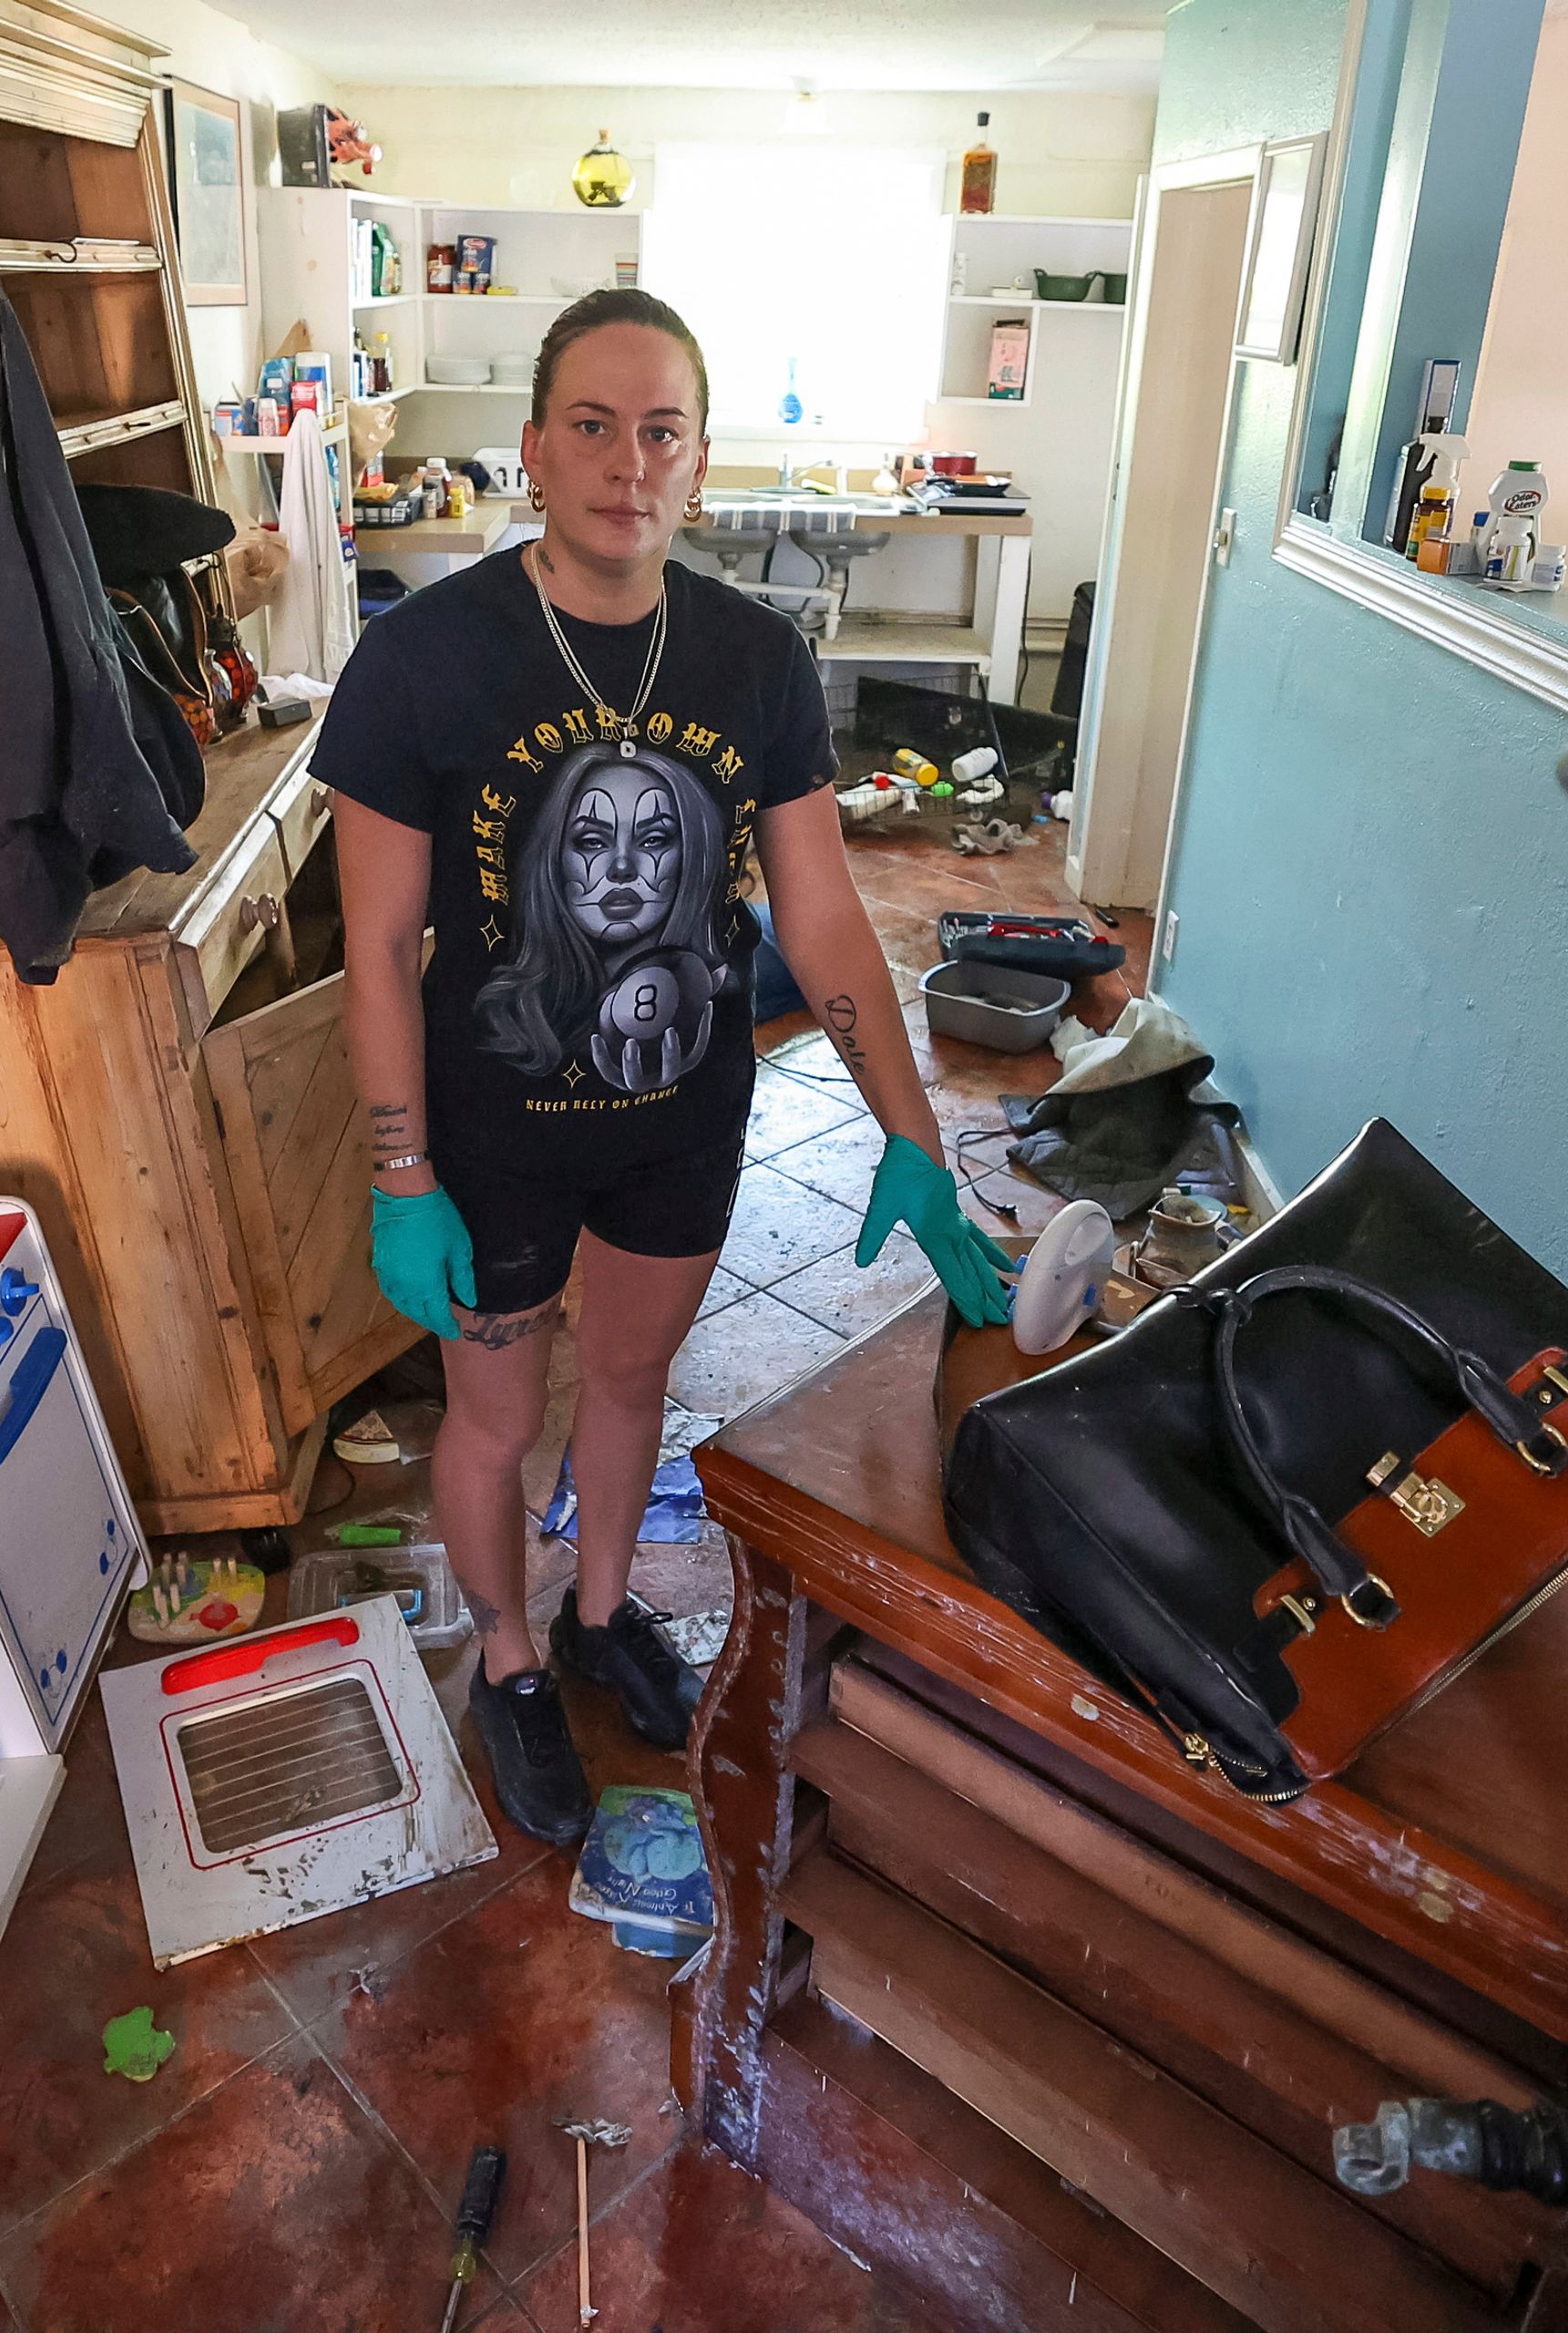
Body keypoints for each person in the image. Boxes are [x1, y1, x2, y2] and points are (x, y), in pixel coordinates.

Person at [316, 289, 1018, 1844]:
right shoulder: (423, 664)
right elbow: (377, 949)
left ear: (698, 462)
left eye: (662, 431)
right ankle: (508, 1662)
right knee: (494, 1422)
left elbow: (822, 909)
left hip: (684, 1118)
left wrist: (916, 1137)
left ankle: (601, 1614)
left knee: (631, 1383)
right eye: (593, 425)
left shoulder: (756, 661)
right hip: (490, 1135)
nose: (627, 463)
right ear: (534, 450)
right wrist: (402, 1174)